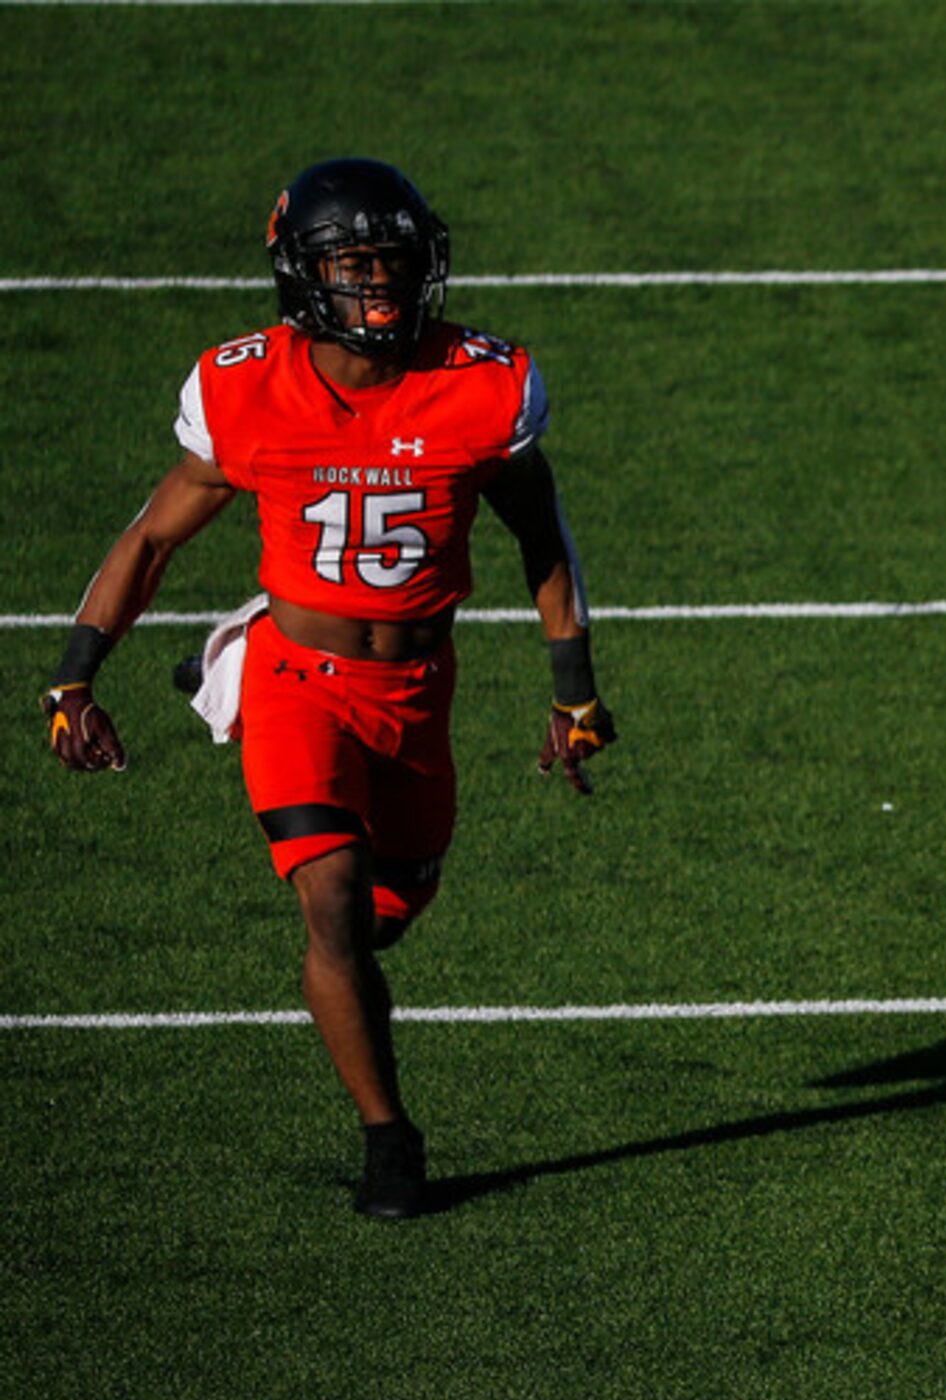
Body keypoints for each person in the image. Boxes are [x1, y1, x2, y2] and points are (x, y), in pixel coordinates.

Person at [42, 157, 616, 1220]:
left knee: (390, 915)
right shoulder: (245, 386)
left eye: (396, 262)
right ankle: (389, 1138)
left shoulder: (481, 386)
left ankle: (221, 687)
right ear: (303, 276)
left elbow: (542, 531)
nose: (382, 287)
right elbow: (152, 538)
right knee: (336, 908)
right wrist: (73, 678)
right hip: (301, 680)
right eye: (354, 265)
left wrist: (572, 689)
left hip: (416, 689)